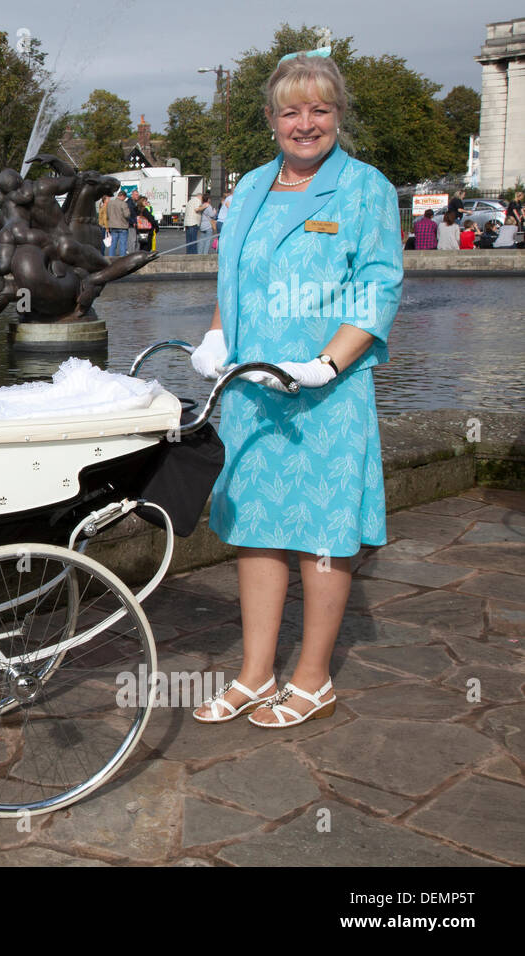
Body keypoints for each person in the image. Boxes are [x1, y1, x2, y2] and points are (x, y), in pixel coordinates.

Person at [188, 49, 402, 728]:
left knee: (322, 533)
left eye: (319, 109)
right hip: (253, 390)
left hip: (325, 394)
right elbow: (236, 282)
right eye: (290, 110)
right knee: (256, 528)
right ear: (272, 118)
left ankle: (312, 678)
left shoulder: (366, 188)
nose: (304, 123)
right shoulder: (249, 187)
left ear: (338, 113)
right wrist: (218, 336)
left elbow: (377, 286)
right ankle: (255, 674)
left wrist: (328, 365)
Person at [106, 188, 131, 256]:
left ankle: (111, 258)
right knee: (122, 244)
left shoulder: (110, 203)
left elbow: (107, 215)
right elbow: (127, 215)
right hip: (122, 226)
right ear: (123, 196)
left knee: (113, 244)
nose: (125, 199)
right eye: (125, 197)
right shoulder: (123, 204)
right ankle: (122, 259)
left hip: (112, 226)